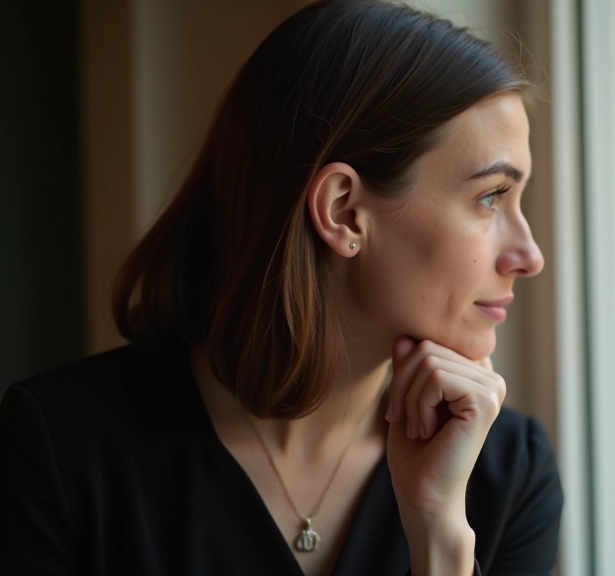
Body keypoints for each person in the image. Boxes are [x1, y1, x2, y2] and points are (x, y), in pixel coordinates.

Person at [0, 1, 562, 574]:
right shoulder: (60, 451)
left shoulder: (505, 470)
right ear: (343, 212)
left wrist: (439, 532)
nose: (530, 256)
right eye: (490, 197)